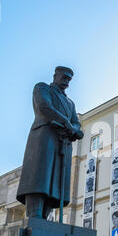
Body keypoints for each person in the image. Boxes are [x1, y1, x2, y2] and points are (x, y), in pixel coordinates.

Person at [16, 66, 84, 220]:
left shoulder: (70, 103)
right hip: (44, 137)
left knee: (55, 184)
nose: (66, 82)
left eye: (69, 80)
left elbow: (76, 122)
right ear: (55, 76)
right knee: (41, 177)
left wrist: (75, 130)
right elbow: (44, 107)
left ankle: (44, 218)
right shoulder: (42, 88)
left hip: (63, 143)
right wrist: (67, 125)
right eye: (64, 77)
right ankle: (35, 216)